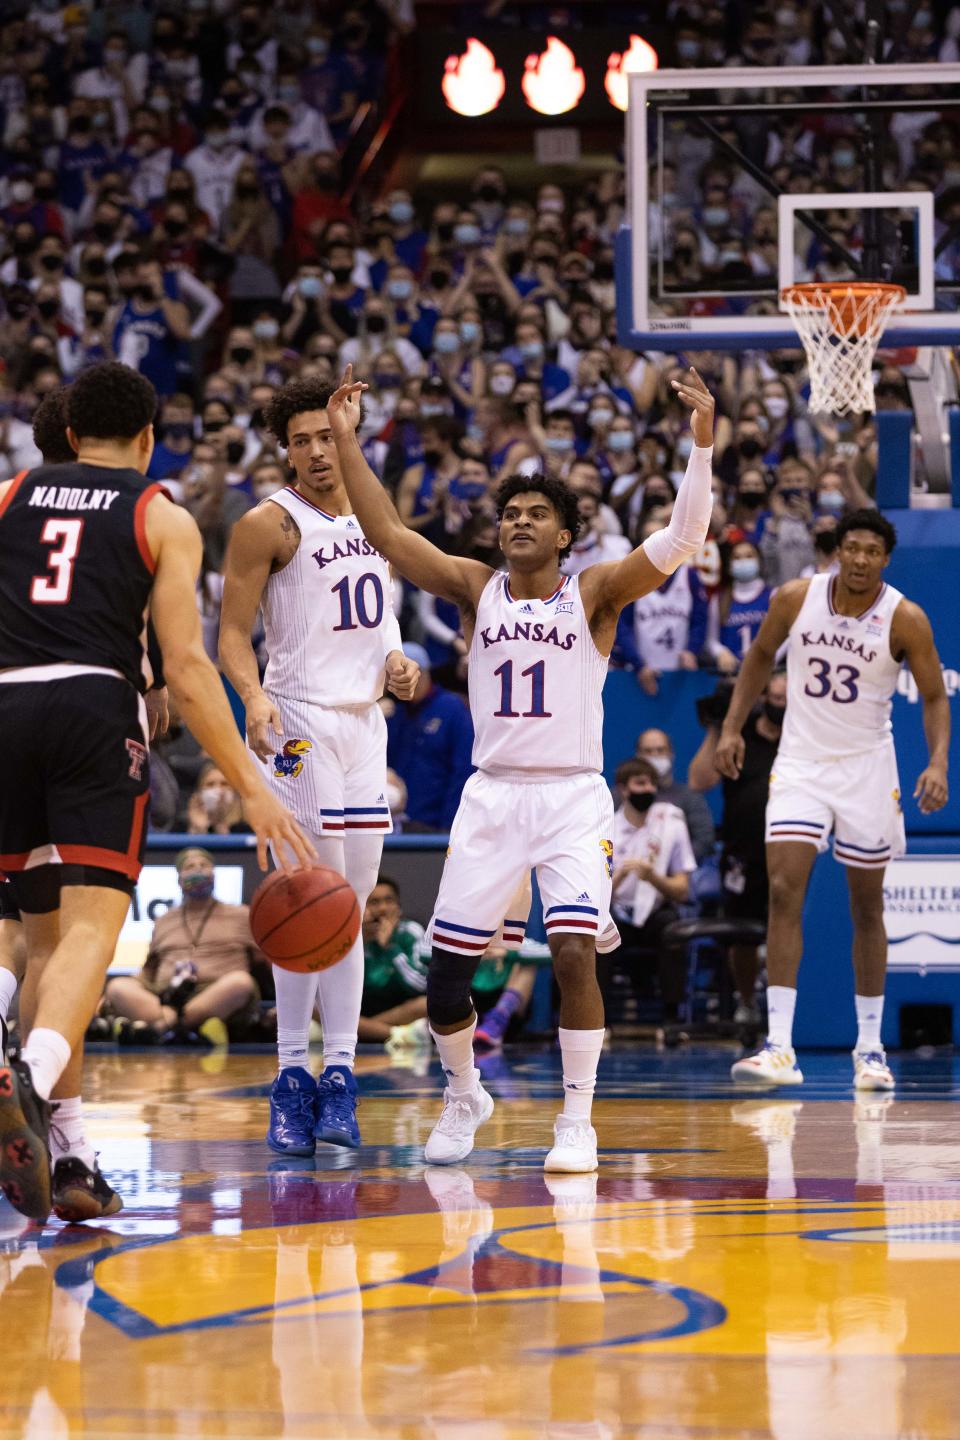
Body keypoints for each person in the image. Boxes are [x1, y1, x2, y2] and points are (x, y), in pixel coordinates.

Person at [326, 362, 716, 1173]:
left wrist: (701, 449)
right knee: (446, 981)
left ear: (566, 533)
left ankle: (578, 1119)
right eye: (510, 514)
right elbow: (389, 537)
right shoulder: (477, 589)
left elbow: (681, 542)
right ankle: (463, 1090)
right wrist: (344, 437)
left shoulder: (597, 592)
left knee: (572, 952)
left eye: (537, 513)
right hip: (493, 798)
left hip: (574, 797)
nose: (520, 523)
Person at [0, 361, 313, 1224]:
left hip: (7, 704)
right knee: (90, 937)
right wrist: (249, 785)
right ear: (147, 438)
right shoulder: (158, 514)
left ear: (67, 434)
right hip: (93, 711)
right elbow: (185, 664)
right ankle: (27, 1079)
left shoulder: (7, 495)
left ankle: (70, 1154)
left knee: (36, 933)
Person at [219, 376, 420, 1158]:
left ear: (347, 437)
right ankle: (290, 1077)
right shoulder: (266, 523)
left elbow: (381, 610)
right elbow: (233, 635)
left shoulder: (375, 515)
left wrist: (399, 659)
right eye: (300, 439)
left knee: (350, 909)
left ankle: (340, 1076)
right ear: (286, 449)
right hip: (298, 719)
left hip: (365, 725)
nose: (315, 451)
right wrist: (252, 699)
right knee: (313, 899)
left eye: (326, 436)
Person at [716, 510, 949, 1090]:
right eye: (852, 548)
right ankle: (778, 1047)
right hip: (800, 765)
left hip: (868, 768)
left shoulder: (906, 618)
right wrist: (731, 727)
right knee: (784, 892)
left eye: (872, 551)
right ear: (837, 551)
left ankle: (870, 1050)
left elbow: (935, 697)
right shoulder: (797, 597)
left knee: (866, 907)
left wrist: (939, 761)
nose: (861, 559)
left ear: (885, 559)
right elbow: (758, 658)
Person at [688, 672, 788, 1028]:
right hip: (742, 856)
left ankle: (784, 1010)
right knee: (743, 936)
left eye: (786, 701)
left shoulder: (798, 739)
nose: (780, 704)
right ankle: (747, 1002)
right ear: (762, 699)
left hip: (789, 853)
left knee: (787, 927)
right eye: (775, 699)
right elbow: (699, 781)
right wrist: (718, 727)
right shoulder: (739, 737)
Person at [104, 848, 261, 1045]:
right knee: (118, 987)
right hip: (164, 994)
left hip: (214, 992)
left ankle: (159, 1028)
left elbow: (264, 962)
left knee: (241, 983)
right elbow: (148, 970)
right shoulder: (163, 920)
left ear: (214, 874)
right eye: (190, 867)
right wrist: (124, 989)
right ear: (179, 879)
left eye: (204, 865)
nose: (198, 871)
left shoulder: (241, 915)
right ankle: (179, 1026)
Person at [608, 758, 697, 1026]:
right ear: (624, 789)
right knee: (595, 935)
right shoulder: (606, 828)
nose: (647, 789)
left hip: (656, 911)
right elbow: (595, 894)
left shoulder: (670, 823)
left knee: (673, 930)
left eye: (651, 784)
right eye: (640, 783)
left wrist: (653, 877)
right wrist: (622, 874)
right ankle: (598, 1021)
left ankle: (672, 1019)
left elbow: (682, 890)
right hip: (618, 912)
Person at [385, 643, 475, 833]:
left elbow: (463, 772)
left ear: (422, 673)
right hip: (398, 825)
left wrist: (451, 826)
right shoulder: (395, 713)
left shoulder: (452, 709)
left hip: (436, 826)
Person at [357, 875, 429, 1048]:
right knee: (316, 1007)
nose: (382, 908)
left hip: (399, 1012)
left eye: (389, 901)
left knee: (427, 1004)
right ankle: (396, 1035)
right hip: (357, 1010)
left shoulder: (411, 931)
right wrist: (360, 940)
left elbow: (422, 985)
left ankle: (361, 1031)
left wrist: (391, 948)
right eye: (374, 902)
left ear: (398, 907)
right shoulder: (350, 936)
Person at [634, 728, 716, 864]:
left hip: (678, 875)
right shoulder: (623, 797)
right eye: (648, 751)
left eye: (660, 750)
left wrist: (672, 864)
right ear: (638, 756)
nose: (654, 756)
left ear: (671, 754)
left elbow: (704, 840)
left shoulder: (689, 797)